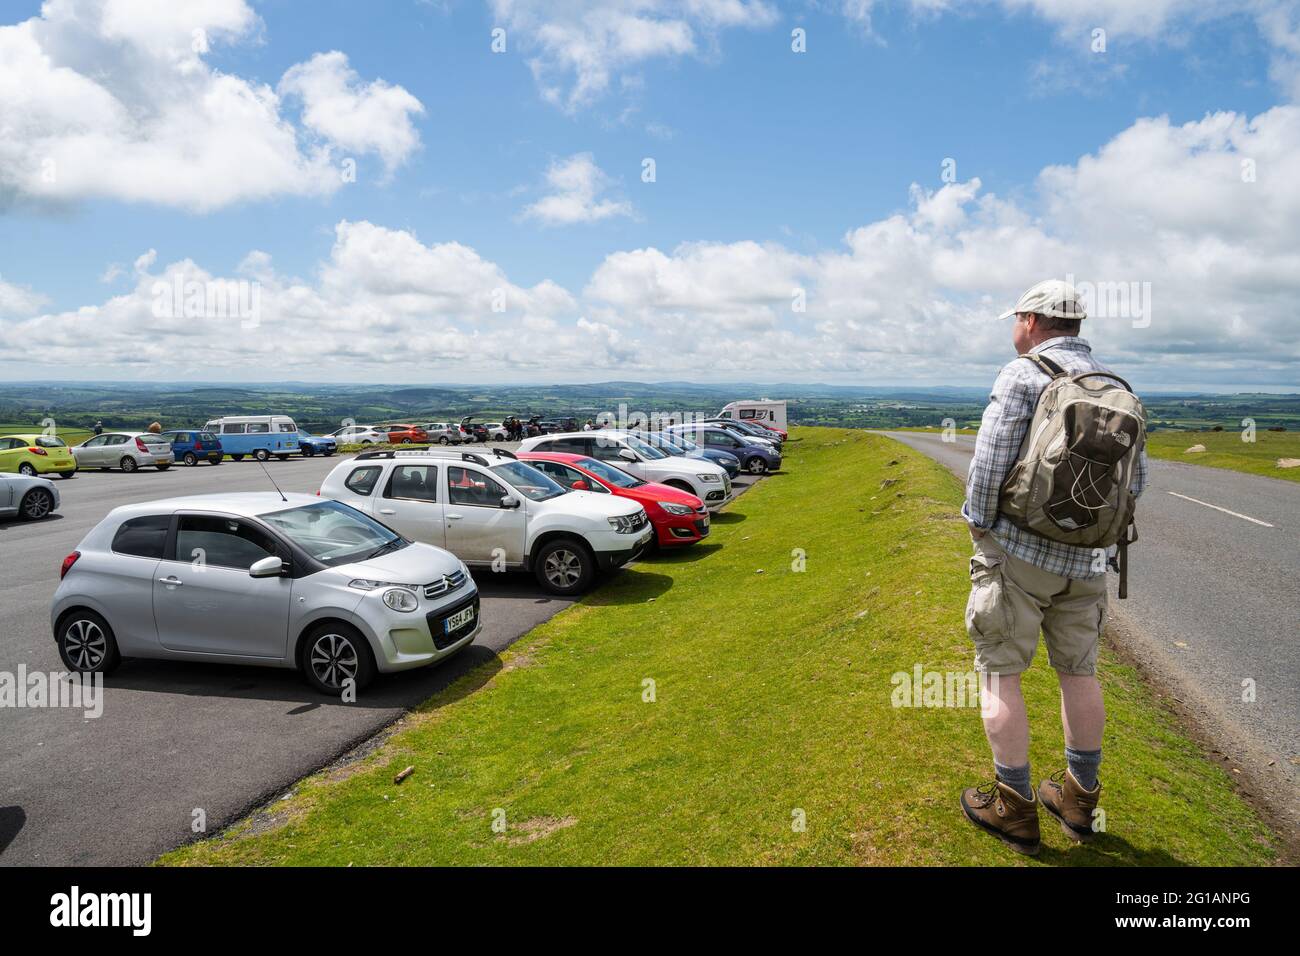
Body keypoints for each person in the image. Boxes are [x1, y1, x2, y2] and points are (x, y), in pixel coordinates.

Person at [959, 279, 1147, 855]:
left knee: (1000, 671)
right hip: (1089, 560)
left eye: (1015, 318)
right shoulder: (1116, 386)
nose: (1013, 328)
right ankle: (1078, 800)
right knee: (1079, 673)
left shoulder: (1022, 374)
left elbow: (990, 460)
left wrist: (978, 523)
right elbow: (1133, 482)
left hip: (1020, 552)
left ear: (1035, 321)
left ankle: (1013, 807)